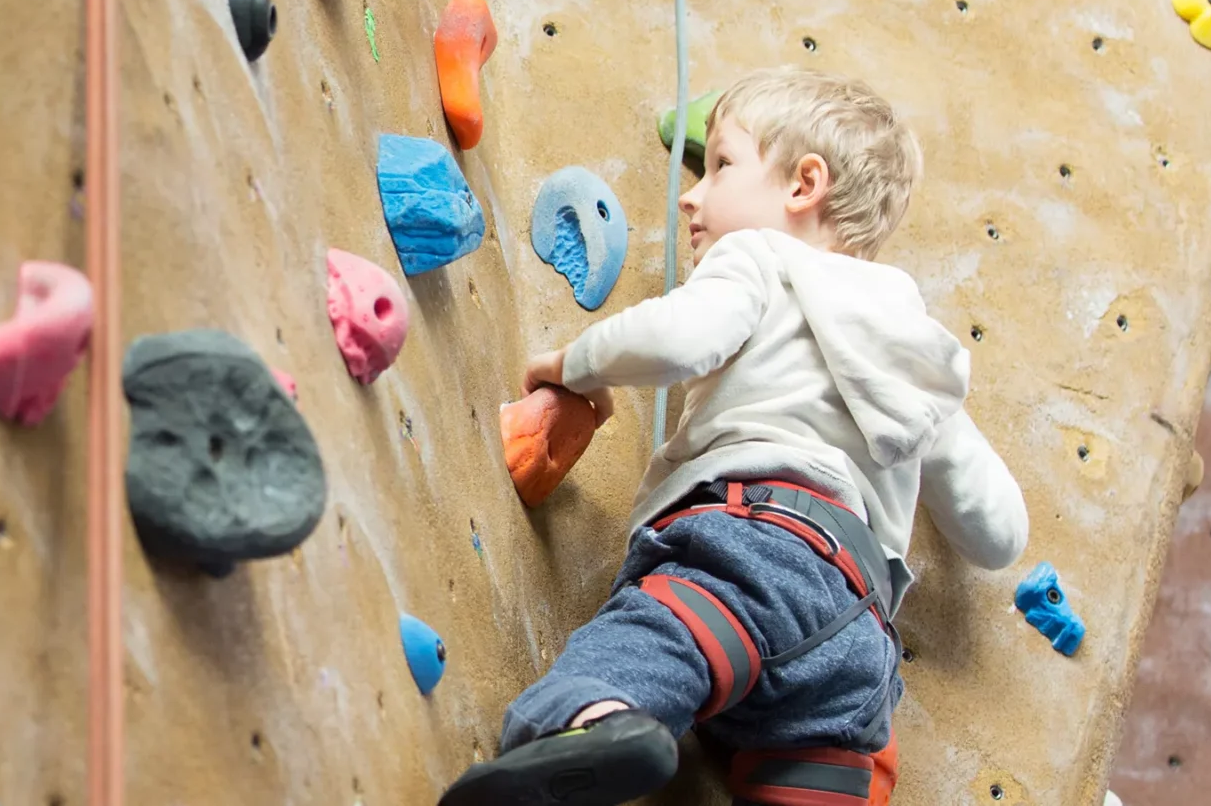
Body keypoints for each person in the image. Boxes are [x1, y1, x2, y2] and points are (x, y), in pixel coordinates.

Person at [439, 67, 1031, 806]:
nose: (691, 192)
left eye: (721, 164)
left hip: (752, 554)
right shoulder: (916, 347)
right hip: (856, 631)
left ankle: (590, 723)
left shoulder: (759, 258)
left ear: (802, 185)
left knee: (657, 645)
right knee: (835, 761)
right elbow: (997, 532)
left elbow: (682, 338)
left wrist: (575, 364)